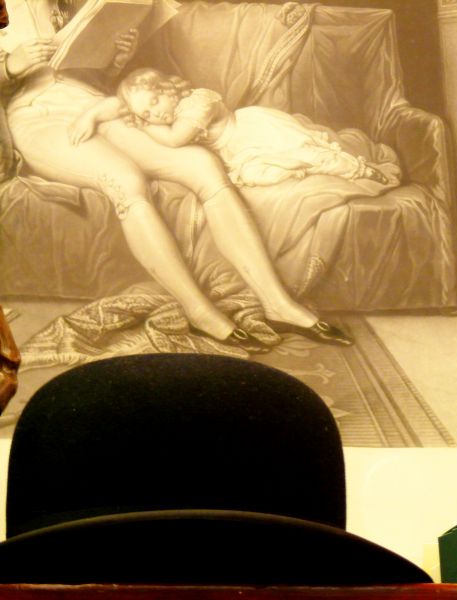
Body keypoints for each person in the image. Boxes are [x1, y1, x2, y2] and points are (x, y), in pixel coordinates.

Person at [0, 0, 351, 347]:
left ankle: (277, 303)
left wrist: (116, 56)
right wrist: (11, 68)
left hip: (98, 105)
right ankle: (198, 311)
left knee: (202, 164)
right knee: (125, 180)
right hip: (37, 115)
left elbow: (87, 69)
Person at [69, 67, 391, 187]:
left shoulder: (198, 103)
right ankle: (298, 170)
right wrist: (90, 116)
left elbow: (176, 138)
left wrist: (141, 123)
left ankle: (359, 170)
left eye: (155, 102)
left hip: (252, 132)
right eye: (146, 113)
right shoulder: (157, 114)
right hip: (236, 153)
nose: (155, 114)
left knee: (311, 153)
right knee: (255, 175)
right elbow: (120, 105)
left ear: (167, 89)